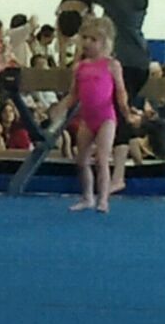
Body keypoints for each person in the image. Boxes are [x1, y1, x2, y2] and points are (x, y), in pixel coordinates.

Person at [66, 0, 151, 194]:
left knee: (118, 116)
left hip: (124, 62)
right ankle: (129, 164)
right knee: (122, 112)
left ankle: (118, 176)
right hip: (141, 61)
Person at [57, 16, 133, 213]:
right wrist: (61, 107)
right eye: (84, 38)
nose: (87, 43)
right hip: (87, 119)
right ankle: (87, 197)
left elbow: (120, 92)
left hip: (106, 118)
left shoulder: (112, 65)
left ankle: (103, 200)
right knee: (81, 160)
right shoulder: (79, 67)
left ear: (105, 42)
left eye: (93, 39)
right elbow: (73, 94)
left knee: (102, 159)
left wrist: (126, 111)